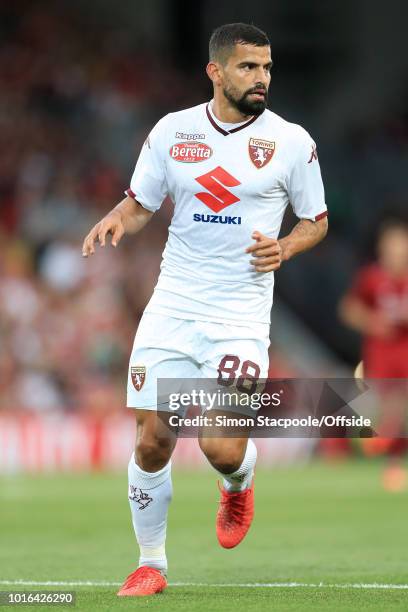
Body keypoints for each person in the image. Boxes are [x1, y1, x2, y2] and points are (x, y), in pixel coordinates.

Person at [82, 22, 328, 597]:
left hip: (240, 317)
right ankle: (150, 564)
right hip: (173, 305)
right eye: (248, 67)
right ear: (215, 72)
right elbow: (141, 202)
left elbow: (316, 221)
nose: (261, 77)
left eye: (266, 67)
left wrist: (286, 246)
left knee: (219, 446)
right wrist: (120, 216)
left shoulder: (291, 141)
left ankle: (238, 482)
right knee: (152, 439)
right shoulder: (173, 131)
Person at [339, 219, 408, 491]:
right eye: (391, 245)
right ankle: (384, 457)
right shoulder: (372, 277)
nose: (396, 251)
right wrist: (373, 322)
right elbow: (348, 309)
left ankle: (389, 456)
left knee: (397, 409)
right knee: (383, 409)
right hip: (381, 355)